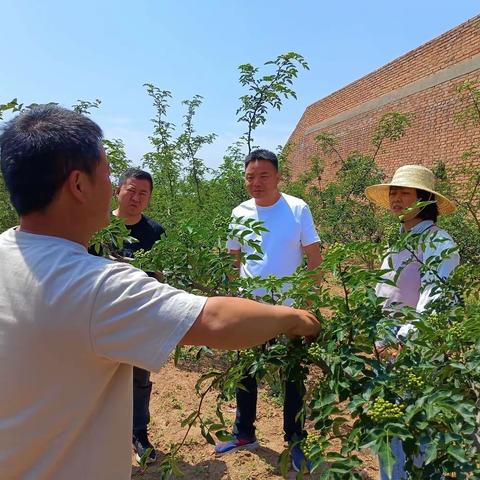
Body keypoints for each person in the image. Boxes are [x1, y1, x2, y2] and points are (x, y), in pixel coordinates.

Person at [0, 106, 321, 480]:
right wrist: (298, 318)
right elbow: (216, 321)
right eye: (107, 176)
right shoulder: (100, 285)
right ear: (79, 184)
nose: (114, 191)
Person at [214, 149, 322, 472]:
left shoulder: (297, 209)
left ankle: (296, 441)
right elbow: (233, 260)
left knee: (293, 379)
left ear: (277, 176)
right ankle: (244, 434)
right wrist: (233, 298)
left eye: (263, 176)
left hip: (289, 310)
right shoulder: (239, 213)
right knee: (246, 373)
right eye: (250, 177)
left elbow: (315, 260)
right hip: (250, 309)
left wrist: (309, 304)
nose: (256, 182)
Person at [365, 164, 459, 480]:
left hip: (414, 343)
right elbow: (383, 291)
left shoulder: (438, 242)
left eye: (404, 192)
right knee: (388, 421)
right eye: (393, 191)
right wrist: (376, 331)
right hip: (387, 340)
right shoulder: (398, 241)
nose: (396, 197)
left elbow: (433, 297)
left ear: (424, 199)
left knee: (418, 421)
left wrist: (402, 339)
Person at [111, 168, 165, 464]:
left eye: (143, 193)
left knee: (138, 380)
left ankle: (138, 433)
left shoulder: (154, 232)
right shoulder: (97, 225)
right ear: (117, 191)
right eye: (131, 190)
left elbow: (160, 277)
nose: (136, 198)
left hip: (139, 320)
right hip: (100, 318)